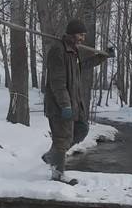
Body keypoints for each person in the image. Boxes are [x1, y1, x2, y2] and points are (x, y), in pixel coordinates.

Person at [42, 19, 112, 182]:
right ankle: (58, 174)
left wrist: (103, 57)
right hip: (60, 104)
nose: (82, 38)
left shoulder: (73, 51)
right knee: (62, 138)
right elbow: (57, 82)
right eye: (80, 35)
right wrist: (65, 105)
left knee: (82, 129)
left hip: (74, 102)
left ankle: (52, 156)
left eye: (83, 35)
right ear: (72, 34)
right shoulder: (57, 51)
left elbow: (84, 65)